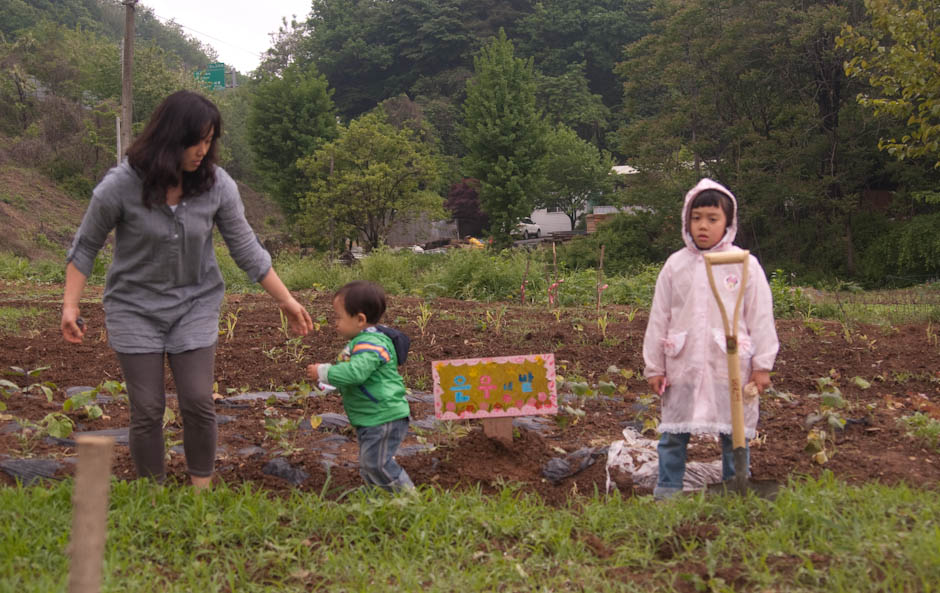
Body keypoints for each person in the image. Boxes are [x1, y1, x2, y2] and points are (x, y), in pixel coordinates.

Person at [61, 90, 313, 488]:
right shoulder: (121, 184)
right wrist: (70, 305)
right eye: (195, 140)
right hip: (133, 307)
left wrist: (285, 299)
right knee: (147, 407)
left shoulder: (216, 185)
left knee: (197, 400)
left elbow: (245, 247)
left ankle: (201, 494)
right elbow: (86, 245)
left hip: (193, 304)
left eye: (209, 140)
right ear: (170, 138)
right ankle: (153, 491)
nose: (202, 150)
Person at [643, 178, 778, 500]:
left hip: (728, 364)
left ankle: (736, 487)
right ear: (687, 220)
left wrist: (762, 366)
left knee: (734, 432)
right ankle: (668, 491)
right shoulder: (676, 265)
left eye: (713, 219)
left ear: (728, 223)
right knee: (674, 433)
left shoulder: (744, 264)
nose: (703, 226)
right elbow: (659, 316)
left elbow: (760, 316)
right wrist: (654, 367)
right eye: (697, 217)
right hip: (683, 363)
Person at [306, 281, 414, 492]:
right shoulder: (363, 341)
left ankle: (408, 499)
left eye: (339, 317)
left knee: (377, 463)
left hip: (384, 416)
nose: (335, 323)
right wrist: (330, 384)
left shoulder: (371, 344)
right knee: (369, 463)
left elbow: (356, 373)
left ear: (360, 319)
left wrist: (324, 371)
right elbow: (357, 376)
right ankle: (380, 497)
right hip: (372, 416)